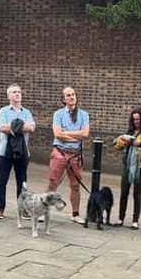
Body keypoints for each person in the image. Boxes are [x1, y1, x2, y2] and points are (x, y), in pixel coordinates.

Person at [49, 86, 90, 224]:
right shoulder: (58, 114)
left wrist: (65, 133)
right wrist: (74, 136)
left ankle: (75, 214)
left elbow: (85, 134)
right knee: (53, 182)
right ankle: (44, 211)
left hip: (75, 155)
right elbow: (57, 134)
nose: (71, 97)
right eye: (68, 95)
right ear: (63, 99)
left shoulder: (84, 115)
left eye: (73, 94)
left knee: (75, 185)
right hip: (60, 152)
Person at [0, 84, 35, 220]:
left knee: (22, 181)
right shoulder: (3, 111)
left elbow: (31, 128)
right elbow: (2, 128)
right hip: (4, 152)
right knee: (2, 180)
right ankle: (0, 208)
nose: (17, 94)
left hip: (23, 152)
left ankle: (23, 209)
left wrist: (13, 127)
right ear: (8, 96)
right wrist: (21, 127)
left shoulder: (27, 112)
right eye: (14, 92)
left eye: (19, 92)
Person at [113, 107, 141, 230]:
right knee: (124, 192)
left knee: (137, 193)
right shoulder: (130, 131)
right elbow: (121, 145)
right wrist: (122, 142)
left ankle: (135, 221)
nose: (136, 121)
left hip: (140, 165)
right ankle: (121, 218)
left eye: (138, 119)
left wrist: (139, 143)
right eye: (134, 119)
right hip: (127, 164)